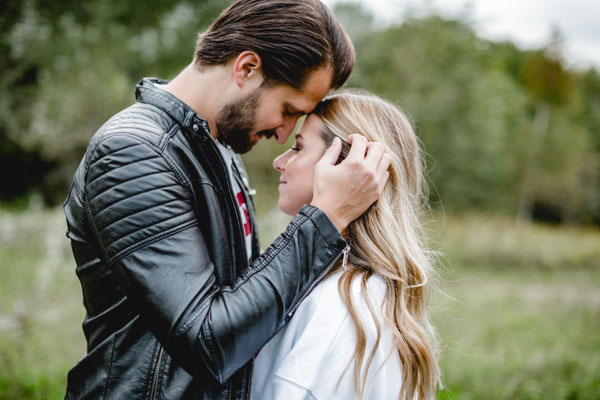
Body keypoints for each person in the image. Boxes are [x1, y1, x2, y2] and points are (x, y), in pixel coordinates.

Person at [62, 1, 390, 399]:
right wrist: (326, 217)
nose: (284, 134)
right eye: (288, 110)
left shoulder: (219, 149)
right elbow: (207, 341)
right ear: (247, 68)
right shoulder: (133, 152)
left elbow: (239, 301)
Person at [252, 90, 441, 400]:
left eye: (298, 148)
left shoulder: (340, 308)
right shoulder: (327, 282)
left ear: (347, 165)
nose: (279, 161)